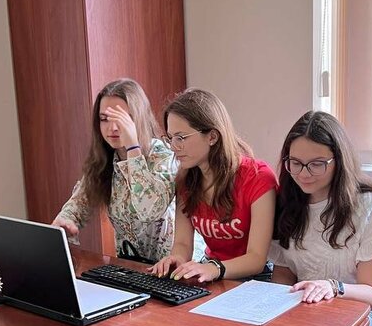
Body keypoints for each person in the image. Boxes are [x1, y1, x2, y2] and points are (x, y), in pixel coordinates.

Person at [268, 110, 372, 326]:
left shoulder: (371, 206)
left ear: (339, 160)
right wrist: (275, 305)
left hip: (368, 313)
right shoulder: (287, 203)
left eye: (316, 164)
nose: (304, 173)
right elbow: (284, 272)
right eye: (295, 163)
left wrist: (332, 287)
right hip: (310, 308)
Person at [151, 88, 276, 282]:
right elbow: (183, 243)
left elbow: (256, 259)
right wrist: (176, 259)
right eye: (170, 138)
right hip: (212, 270)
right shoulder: (186, 179)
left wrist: (214, 268)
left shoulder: (259, 177)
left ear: (212, 137)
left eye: (181, 137)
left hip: (255, 277)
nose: (174, 147)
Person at [52, 78, 176, 263]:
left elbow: (148, 210)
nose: (113, 127)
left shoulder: (163, 155)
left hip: (173, 268)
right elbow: (78, 204)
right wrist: (65, 222)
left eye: (121, 119)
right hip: (131, 267)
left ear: (138, 118)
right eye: (104, 119)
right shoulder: (105, 160)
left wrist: (132, 147)